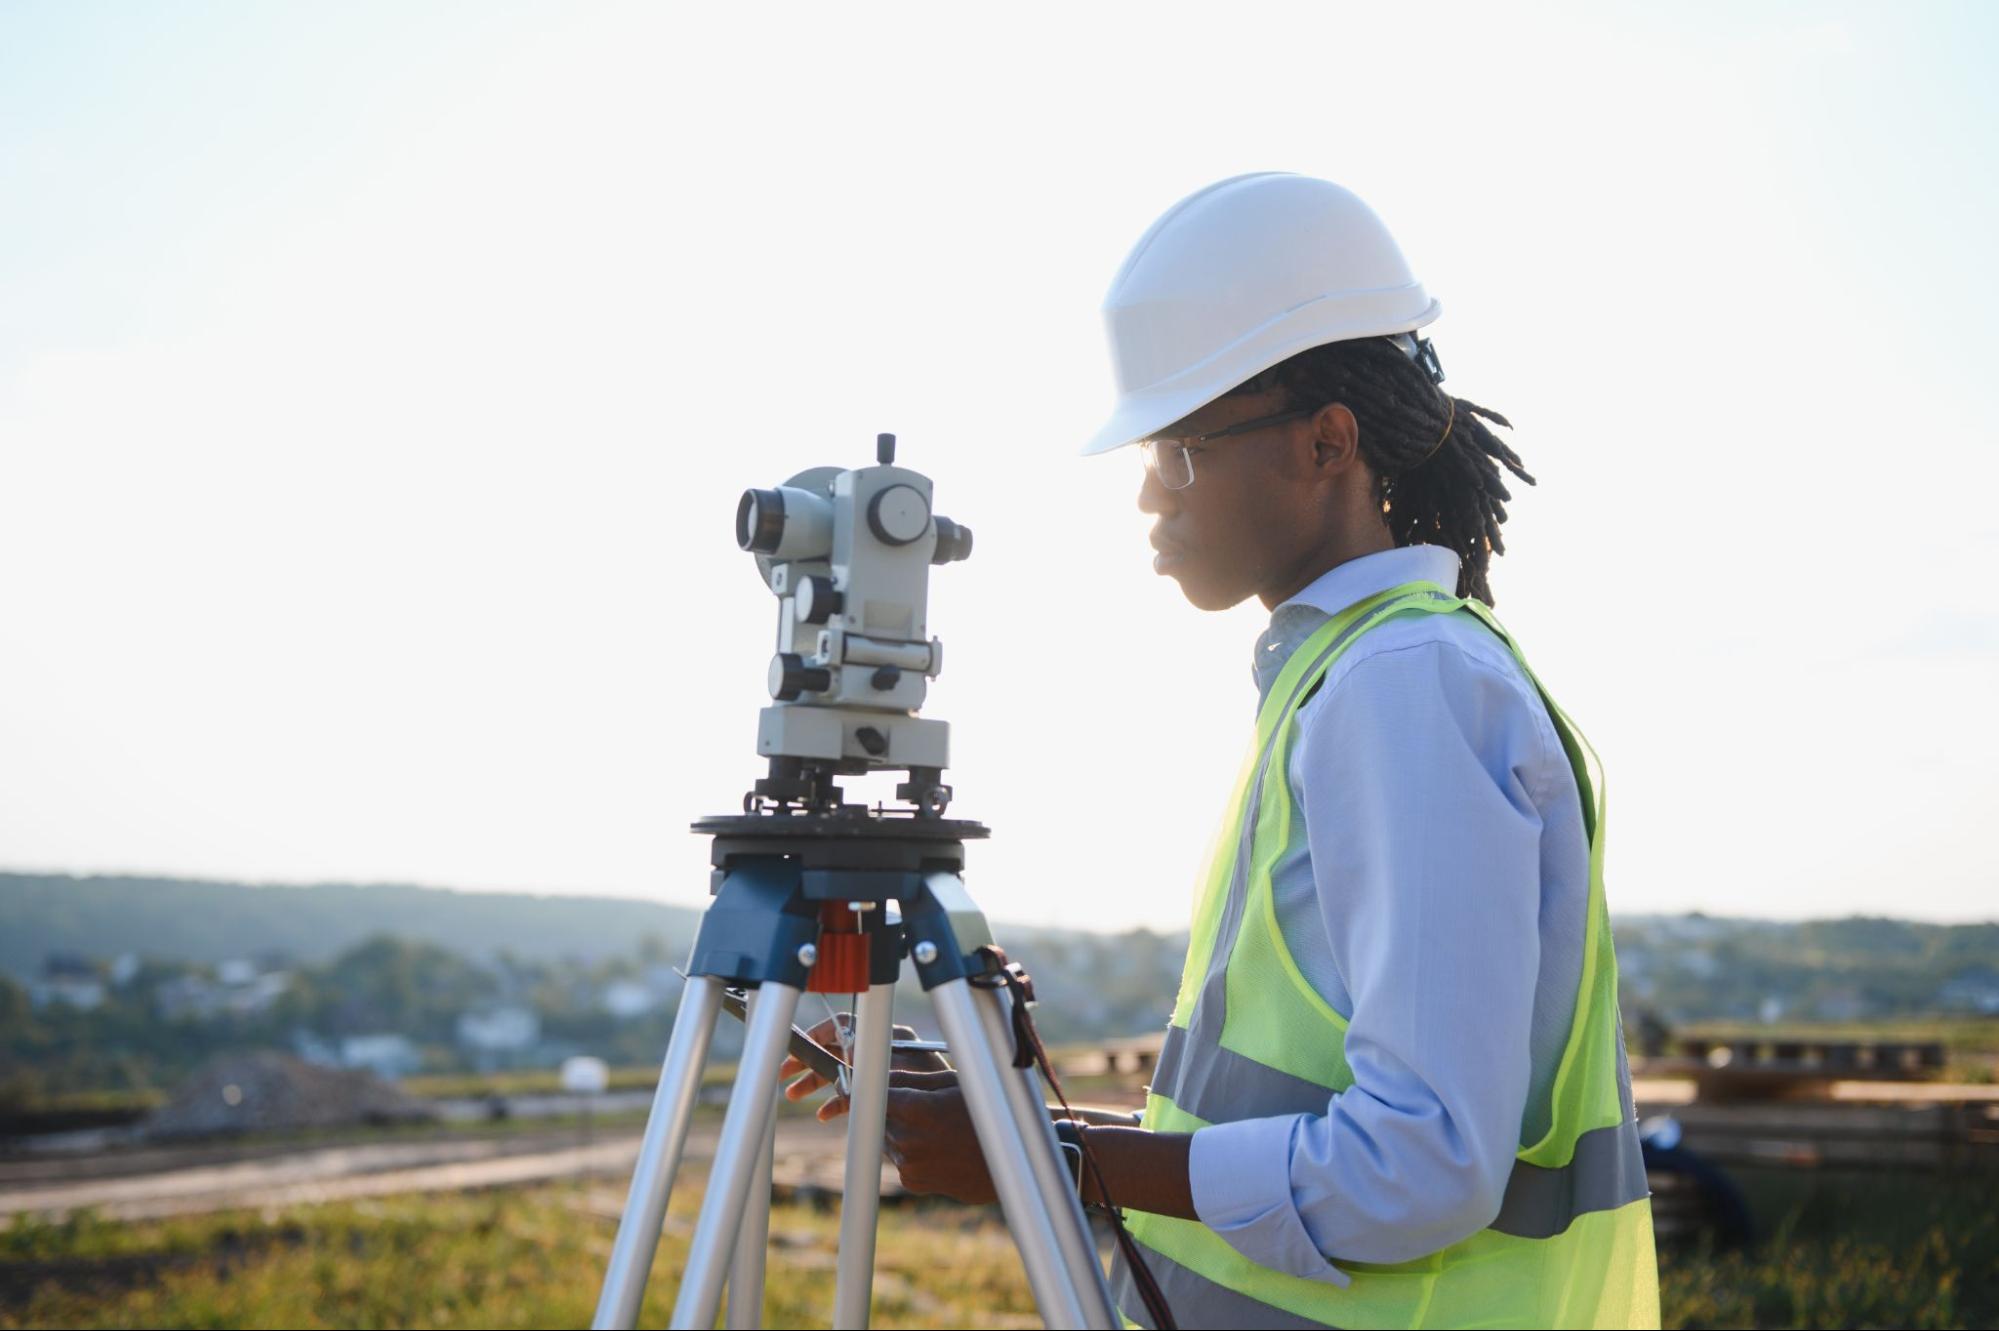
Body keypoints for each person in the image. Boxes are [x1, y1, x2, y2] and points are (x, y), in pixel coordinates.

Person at [784, 173, 1660, 1329]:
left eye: (1182, 447)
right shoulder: (1342, 678)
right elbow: (1272, 1121)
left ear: (1326, 443)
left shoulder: (1404, 687)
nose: (1151, 493)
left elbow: (1422, 1161)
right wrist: (1015, 1118)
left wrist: (1040, 1156)